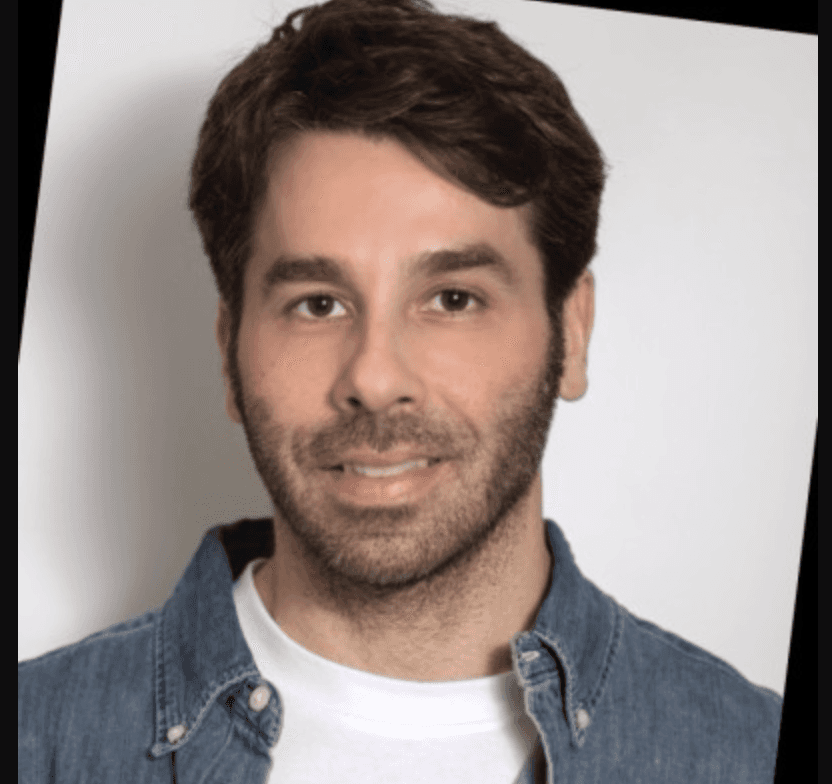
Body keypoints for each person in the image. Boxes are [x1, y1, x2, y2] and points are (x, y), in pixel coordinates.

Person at [18, 1, 783, 781]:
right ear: (229, 351)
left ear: (572, 332)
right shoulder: (33, 740)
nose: (376, 380)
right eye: (318, 304)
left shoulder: (753, 754)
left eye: (453, 299)